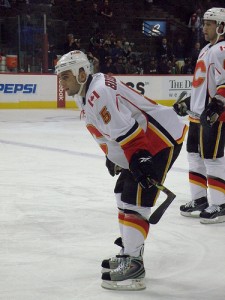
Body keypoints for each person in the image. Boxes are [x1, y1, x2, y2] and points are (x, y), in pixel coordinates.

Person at [55, 50, 187, 290]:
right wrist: (113, 155)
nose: (61, 83)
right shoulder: (86, 93)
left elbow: (128, 129)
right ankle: (129, 252)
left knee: (136, 198)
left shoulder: (98, 92)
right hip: (140, 144)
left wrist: (141, 159)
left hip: (158, 140)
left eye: (65, 77)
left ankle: (135, 265)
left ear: (82, 73)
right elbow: (111, 128)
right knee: (122, 193)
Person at [173, 7, 225, 224]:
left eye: (209, 24)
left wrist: (217, 106)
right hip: (197, 115)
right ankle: (200, 199)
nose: (204, 28)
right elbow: (202, 83)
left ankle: (220, 204)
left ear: (221, 26)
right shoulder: (206, 49)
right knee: (194, 156)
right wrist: (189, 103)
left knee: (213, 158)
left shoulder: (222, 49)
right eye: (204, 23)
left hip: (213, 115)